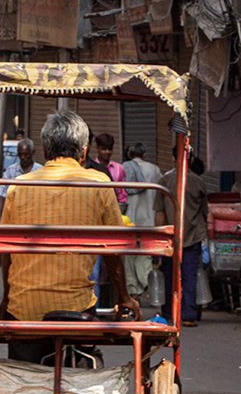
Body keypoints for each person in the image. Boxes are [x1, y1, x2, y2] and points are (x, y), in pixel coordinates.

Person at [0, 111, 140, 351]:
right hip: (76, 309)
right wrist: (123, 296)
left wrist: (6, 296)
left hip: (23, 309)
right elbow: (113, 250)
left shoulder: (17, 187)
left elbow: (6, 252)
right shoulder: (99, 185)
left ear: (44, 150)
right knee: (83, 363)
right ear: (84, 152)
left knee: (24, 371)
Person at [158, 148, 209, 326]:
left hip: (171, 237)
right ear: (192, 158)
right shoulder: (198, 181)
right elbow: (204, 212)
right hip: (192, 235)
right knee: (189, 275)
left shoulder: (164, 180)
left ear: (173, 158)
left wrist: (159, 236)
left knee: (170, 275)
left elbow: (160, 213)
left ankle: (169, 312)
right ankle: (188, 314)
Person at [120, 142, 163, 299]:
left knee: (130, 256)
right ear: (144, 155)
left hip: (129, 219)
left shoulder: (124, 168)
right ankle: (147, 285)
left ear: (130, 155)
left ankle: (133, 290)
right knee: (145, 255)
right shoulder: (155, 170)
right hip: (148, 219)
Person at [88, 132, 127, 206]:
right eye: (103, 149)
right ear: (97, 148)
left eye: (110, 149)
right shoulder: (90, 167)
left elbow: (121, 192)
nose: (107, 152)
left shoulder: (119, 168)